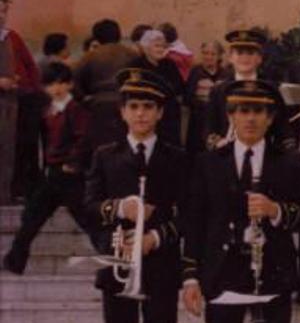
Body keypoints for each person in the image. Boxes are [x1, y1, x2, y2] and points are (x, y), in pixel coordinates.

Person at [181, 79, 300, 323]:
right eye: (242, 111)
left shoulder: (288, 163)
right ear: (230, 116)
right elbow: (194, 223)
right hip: (222, 274)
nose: (250, 118)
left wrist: (276, 211)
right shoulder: (208, 162)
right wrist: (191, 276)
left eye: (258, 111)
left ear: (270, 118)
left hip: (271, 273)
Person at [84, 68, 186, 323]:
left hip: (160, 269)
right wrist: (118, 208)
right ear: (122, 112)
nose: (141, 113)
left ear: (159, 112)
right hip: (117, 267)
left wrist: (154, 238)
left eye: (148, 106)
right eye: (134, 106)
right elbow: (89, 207)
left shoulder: (177, 157)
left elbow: (189, 213)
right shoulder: (105, 156)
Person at [2, 62, 96, 274]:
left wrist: (72, 164)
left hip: (69, 175)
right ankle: (14, 261)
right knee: (32, 218)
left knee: (88, 220)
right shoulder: (48, 110)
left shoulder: (76, 110)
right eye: (51, 84)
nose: (57, 88)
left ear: (70, 84)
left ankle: (114, 256)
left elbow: (84, 140)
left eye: (62, 83)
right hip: (52, 174)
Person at [204, 30, 291, 151]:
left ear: (259, 58)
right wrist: (218, 144)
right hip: (227, 155)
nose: (245, 58)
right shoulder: (218, 91)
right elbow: (210, 128)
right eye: (239, 53)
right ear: (230, 58)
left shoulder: (271, 90)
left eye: (250, 53)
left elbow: (282, 129)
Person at [74, 19, 137, 169]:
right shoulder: (131, 55)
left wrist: (84, 99)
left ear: (96, 37)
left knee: (100, 149)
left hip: (98, 107)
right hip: (126, 104)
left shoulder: (90, 56)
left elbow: (75, 83)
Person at [0, 0, 42, 204]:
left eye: (4, 11)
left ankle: (10, 193)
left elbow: (30, 67)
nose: (1, 16)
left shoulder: (11, 37)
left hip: (15, 103)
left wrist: (33, 91)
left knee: (14, 149)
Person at [126, 29, 185, 145]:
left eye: (163, 46)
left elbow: (179, 87)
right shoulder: (136, 66)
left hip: (168, 114)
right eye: (157, 46)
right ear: (146, 47)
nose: (161, 49)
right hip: (145, 113)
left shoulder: (170, 65)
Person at [185, 40, 229, 154]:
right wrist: (206, 105)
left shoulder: (226, 74)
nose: (208, 57)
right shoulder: (195, 72)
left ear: (219, 56)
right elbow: (187, 98)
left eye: (212, 54)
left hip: (219, 121)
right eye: (205, 53)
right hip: (198, 122)